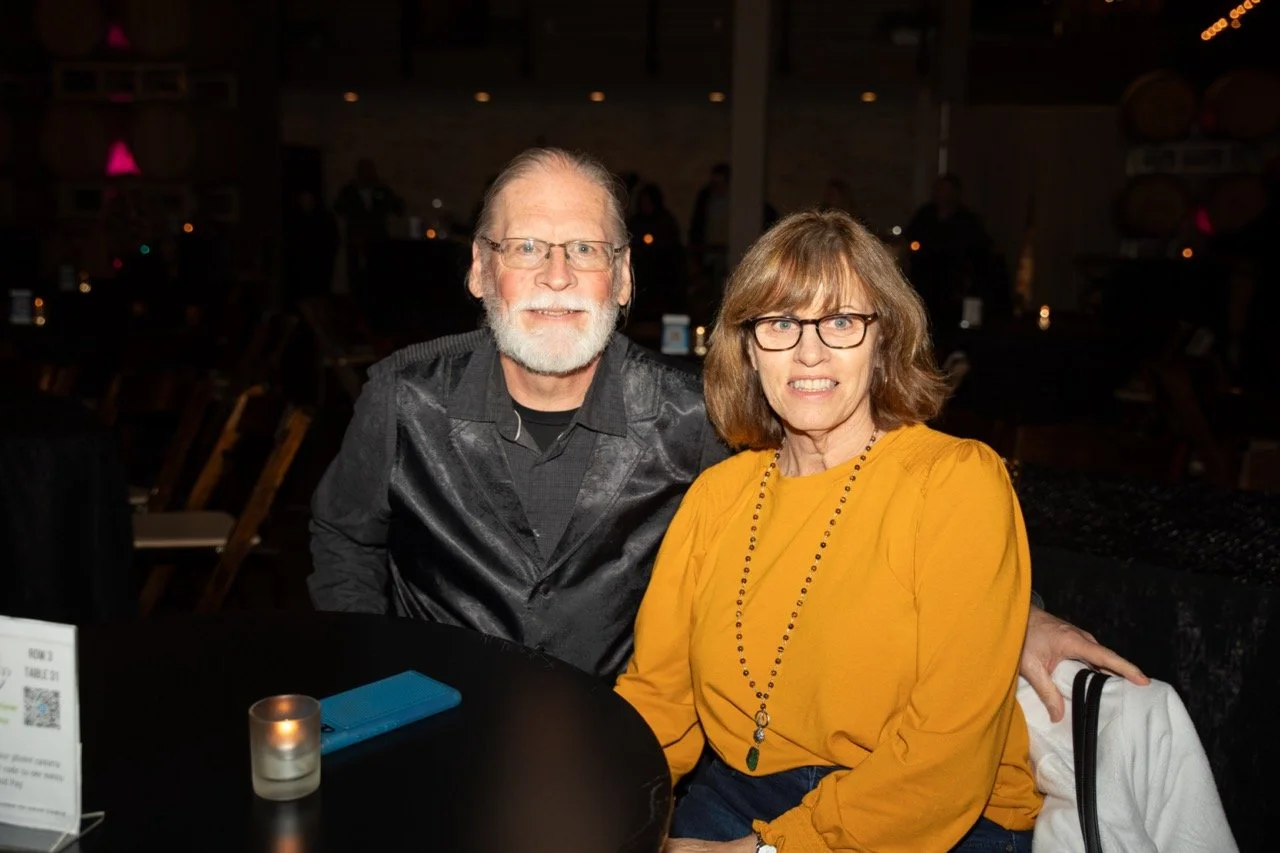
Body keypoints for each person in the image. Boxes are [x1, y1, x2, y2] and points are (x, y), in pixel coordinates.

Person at [308, 148, 1145, 717]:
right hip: (436, 726)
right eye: (526, 246)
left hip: (626, 746)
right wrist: (380, 674)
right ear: (480, 268)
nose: (557, 275)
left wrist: (1019, 615)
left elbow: (866, 479)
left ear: (625, 275)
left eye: (585, 249)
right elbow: (343, 537)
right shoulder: (401, 398)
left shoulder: (693, 414)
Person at [615, 209, 1033, 852]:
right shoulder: (716, 498)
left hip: (930, 817)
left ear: (883, 341)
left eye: (841, 321)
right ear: (750, 350)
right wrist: (590, 796)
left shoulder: (956, 483)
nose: (810, 351)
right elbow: (660, 703)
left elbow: (944, 759)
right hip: (737, 793)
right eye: (781, 323)